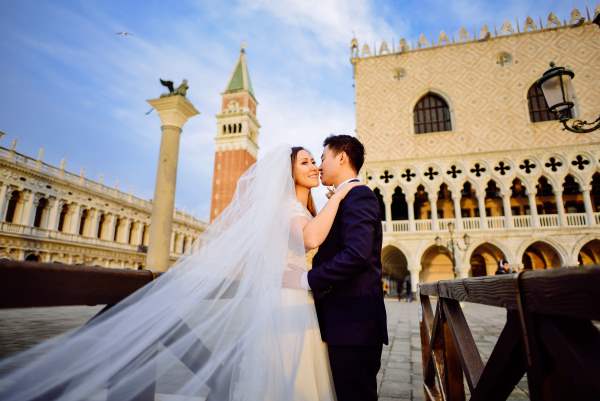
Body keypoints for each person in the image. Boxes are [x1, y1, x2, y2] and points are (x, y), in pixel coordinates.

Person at [0, 145, 357, 401]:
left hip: (291, 300)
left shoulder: (295, 205)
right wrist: (340, 195)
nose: (315, 167)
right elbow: (310, 237)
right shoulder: (287, 205)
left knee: (282, 380)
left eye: (316, 161)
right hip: (284, 302)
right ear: (287, 171)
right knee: (287, 382)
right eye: (307, 161)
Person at [284, 135, 388, 401]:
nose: (319, 166)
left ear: (341, 157)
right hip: (341, 323)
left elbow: (357, 254)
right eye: (308, 162)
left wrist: (307, 279)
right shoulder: (344, 198)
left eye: (321, 158)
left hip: (354, 324)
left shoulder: (358, 195)